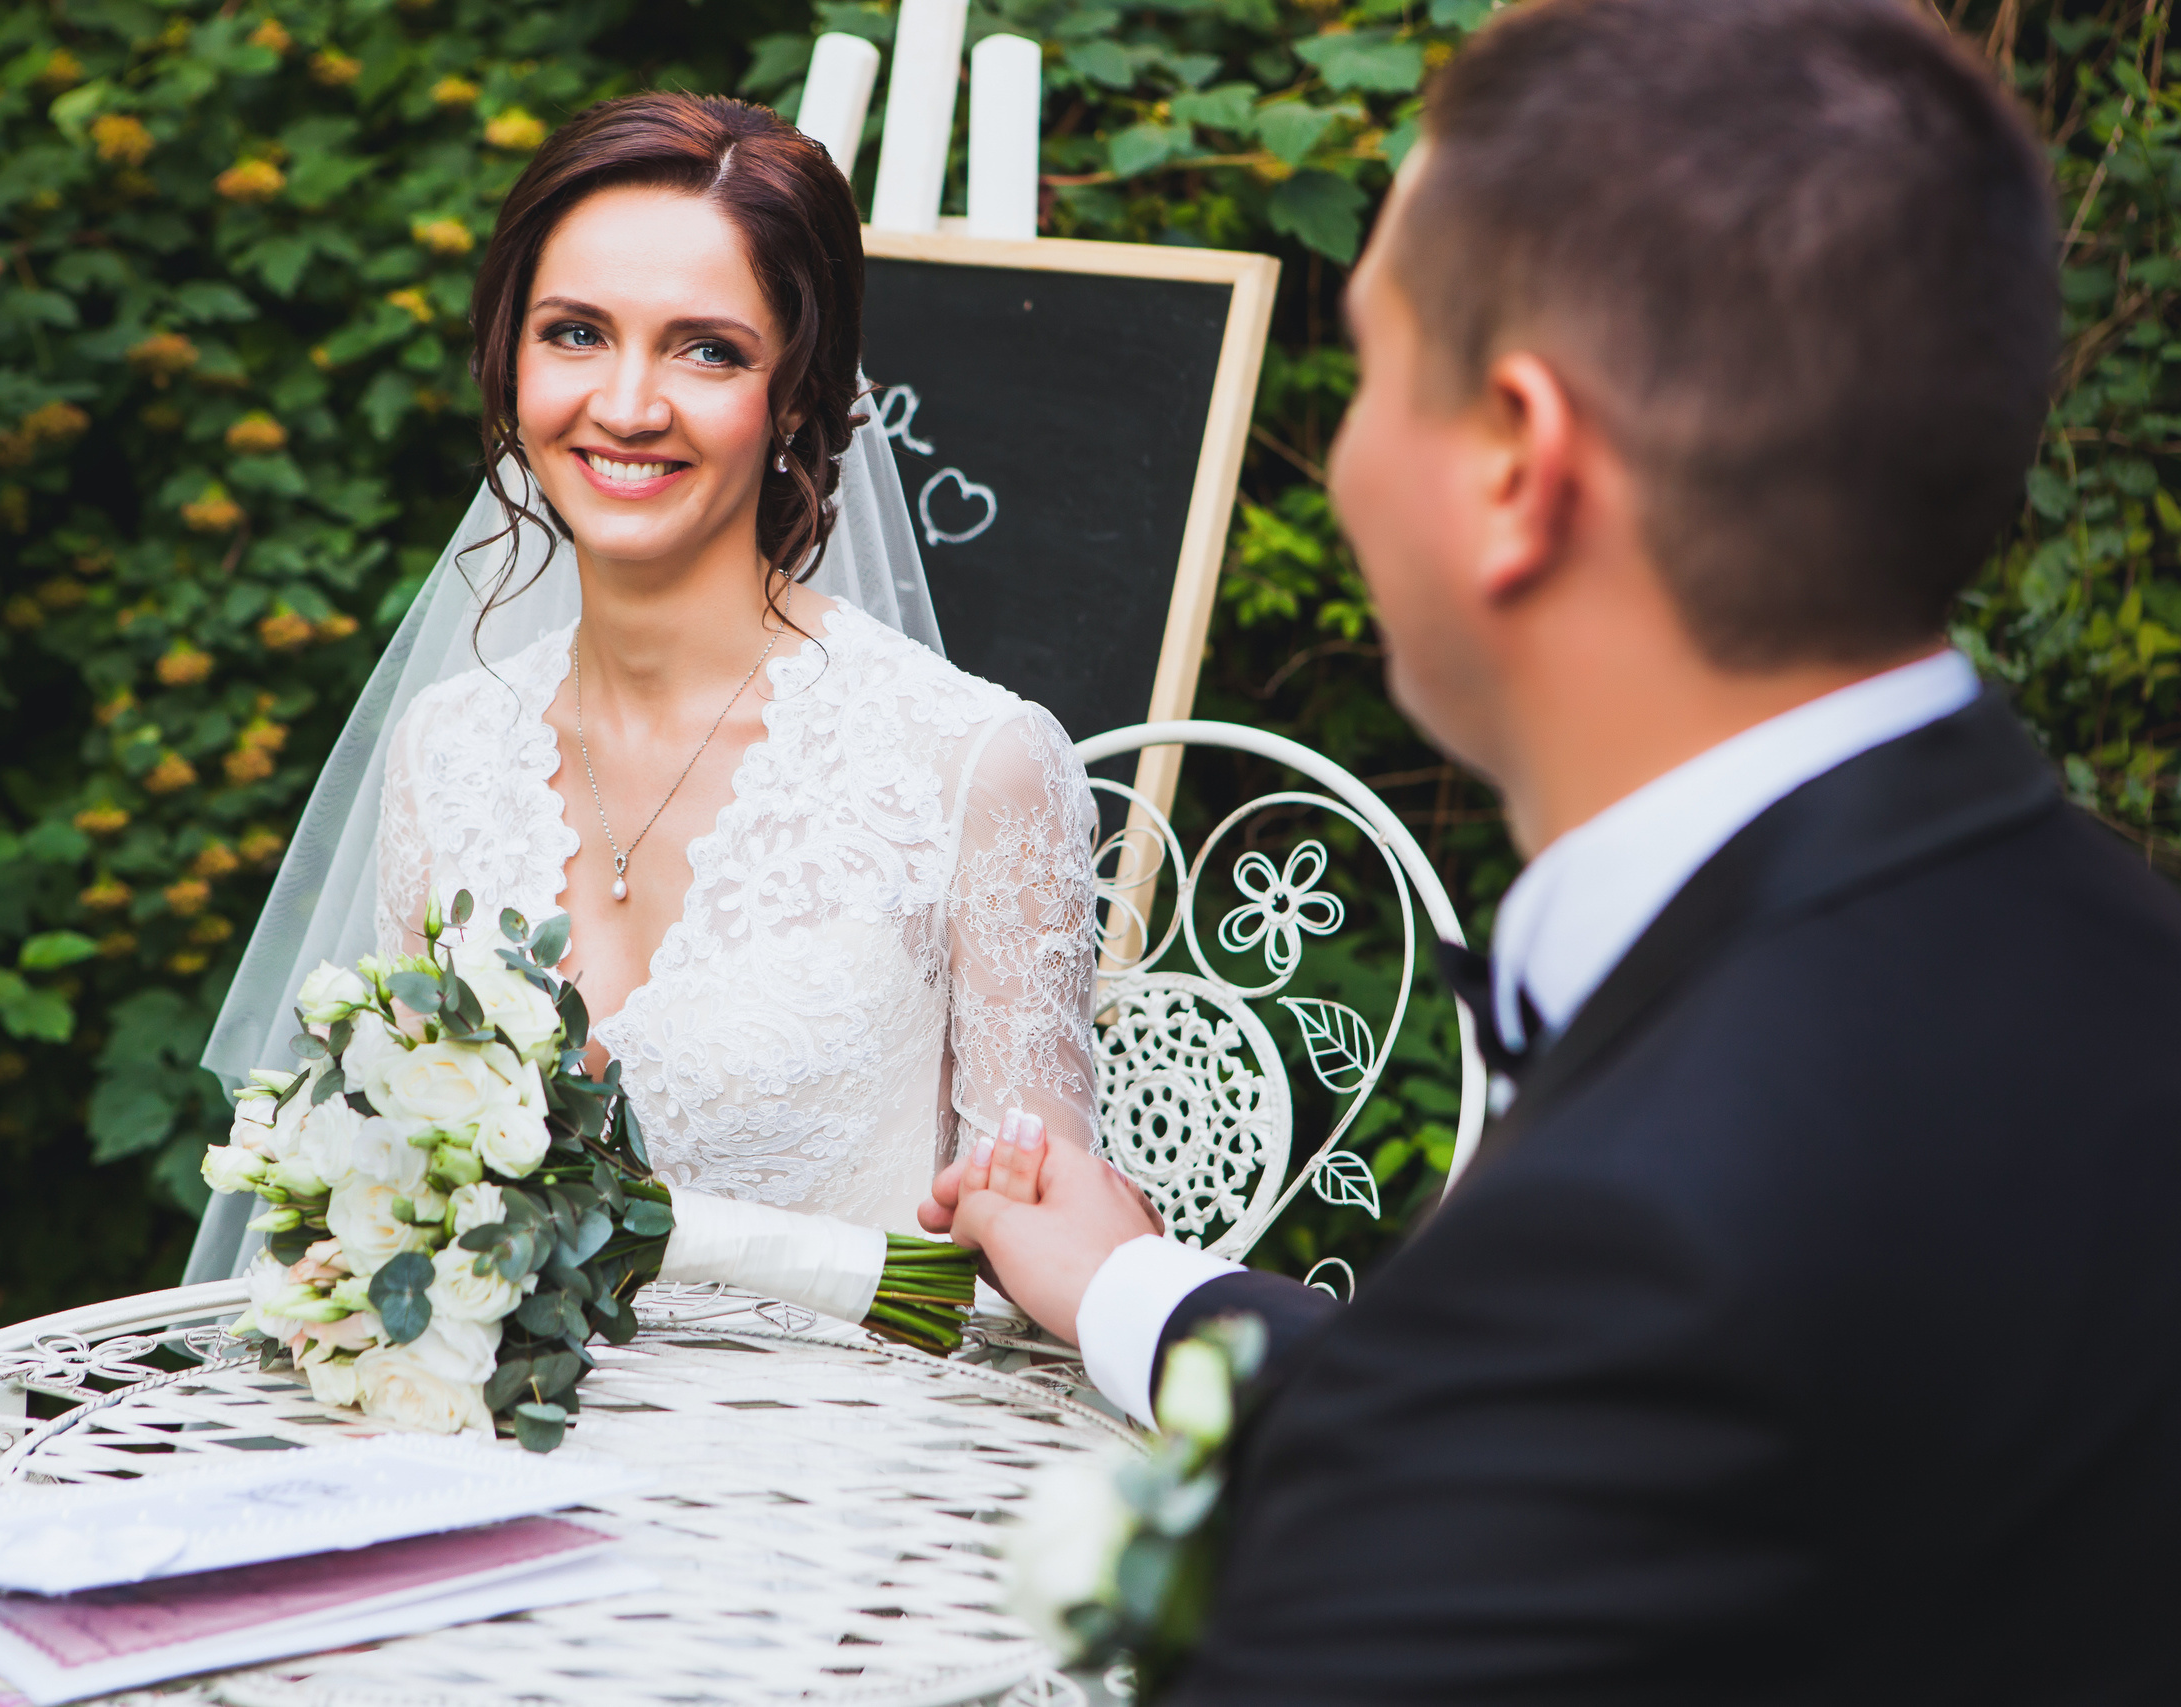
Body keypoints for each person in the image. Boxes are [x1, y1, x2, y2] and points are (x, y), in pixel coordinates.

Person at [927, 0, 2181, 1698]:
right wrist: (1138, 1284)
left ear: (1516, 463)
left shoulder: (1662, 1213)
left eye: (1371, 364)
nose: (1351, 446)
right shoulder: (2102, 949)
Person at [184, 93, 1100, 1282]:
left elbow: (1045, 1256)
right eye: (574, 333)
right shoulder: (448, 748)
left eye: (707, 349)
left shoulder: (978, 765)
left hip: (849, 1449)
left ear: (794, 397)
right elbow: (393, 1204)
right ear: (508, 359)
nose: (624, 406)